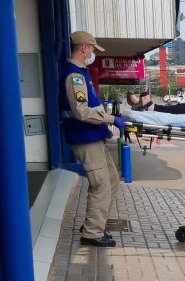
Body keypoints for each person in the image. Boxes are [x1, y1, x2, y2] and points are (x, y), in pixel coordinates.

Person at [59, 31, 126, 247]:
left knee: (112, 181)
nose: (94, 53)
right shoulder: (74, 76)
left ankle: (92, 224)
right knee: (101, 186)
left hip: (93, 136)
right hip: (84, 137)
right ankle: (92, 233)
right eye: (93, 49)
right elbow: (81, 111)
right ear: (84, 48)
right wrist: (110, 119)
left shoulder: (81, 72)